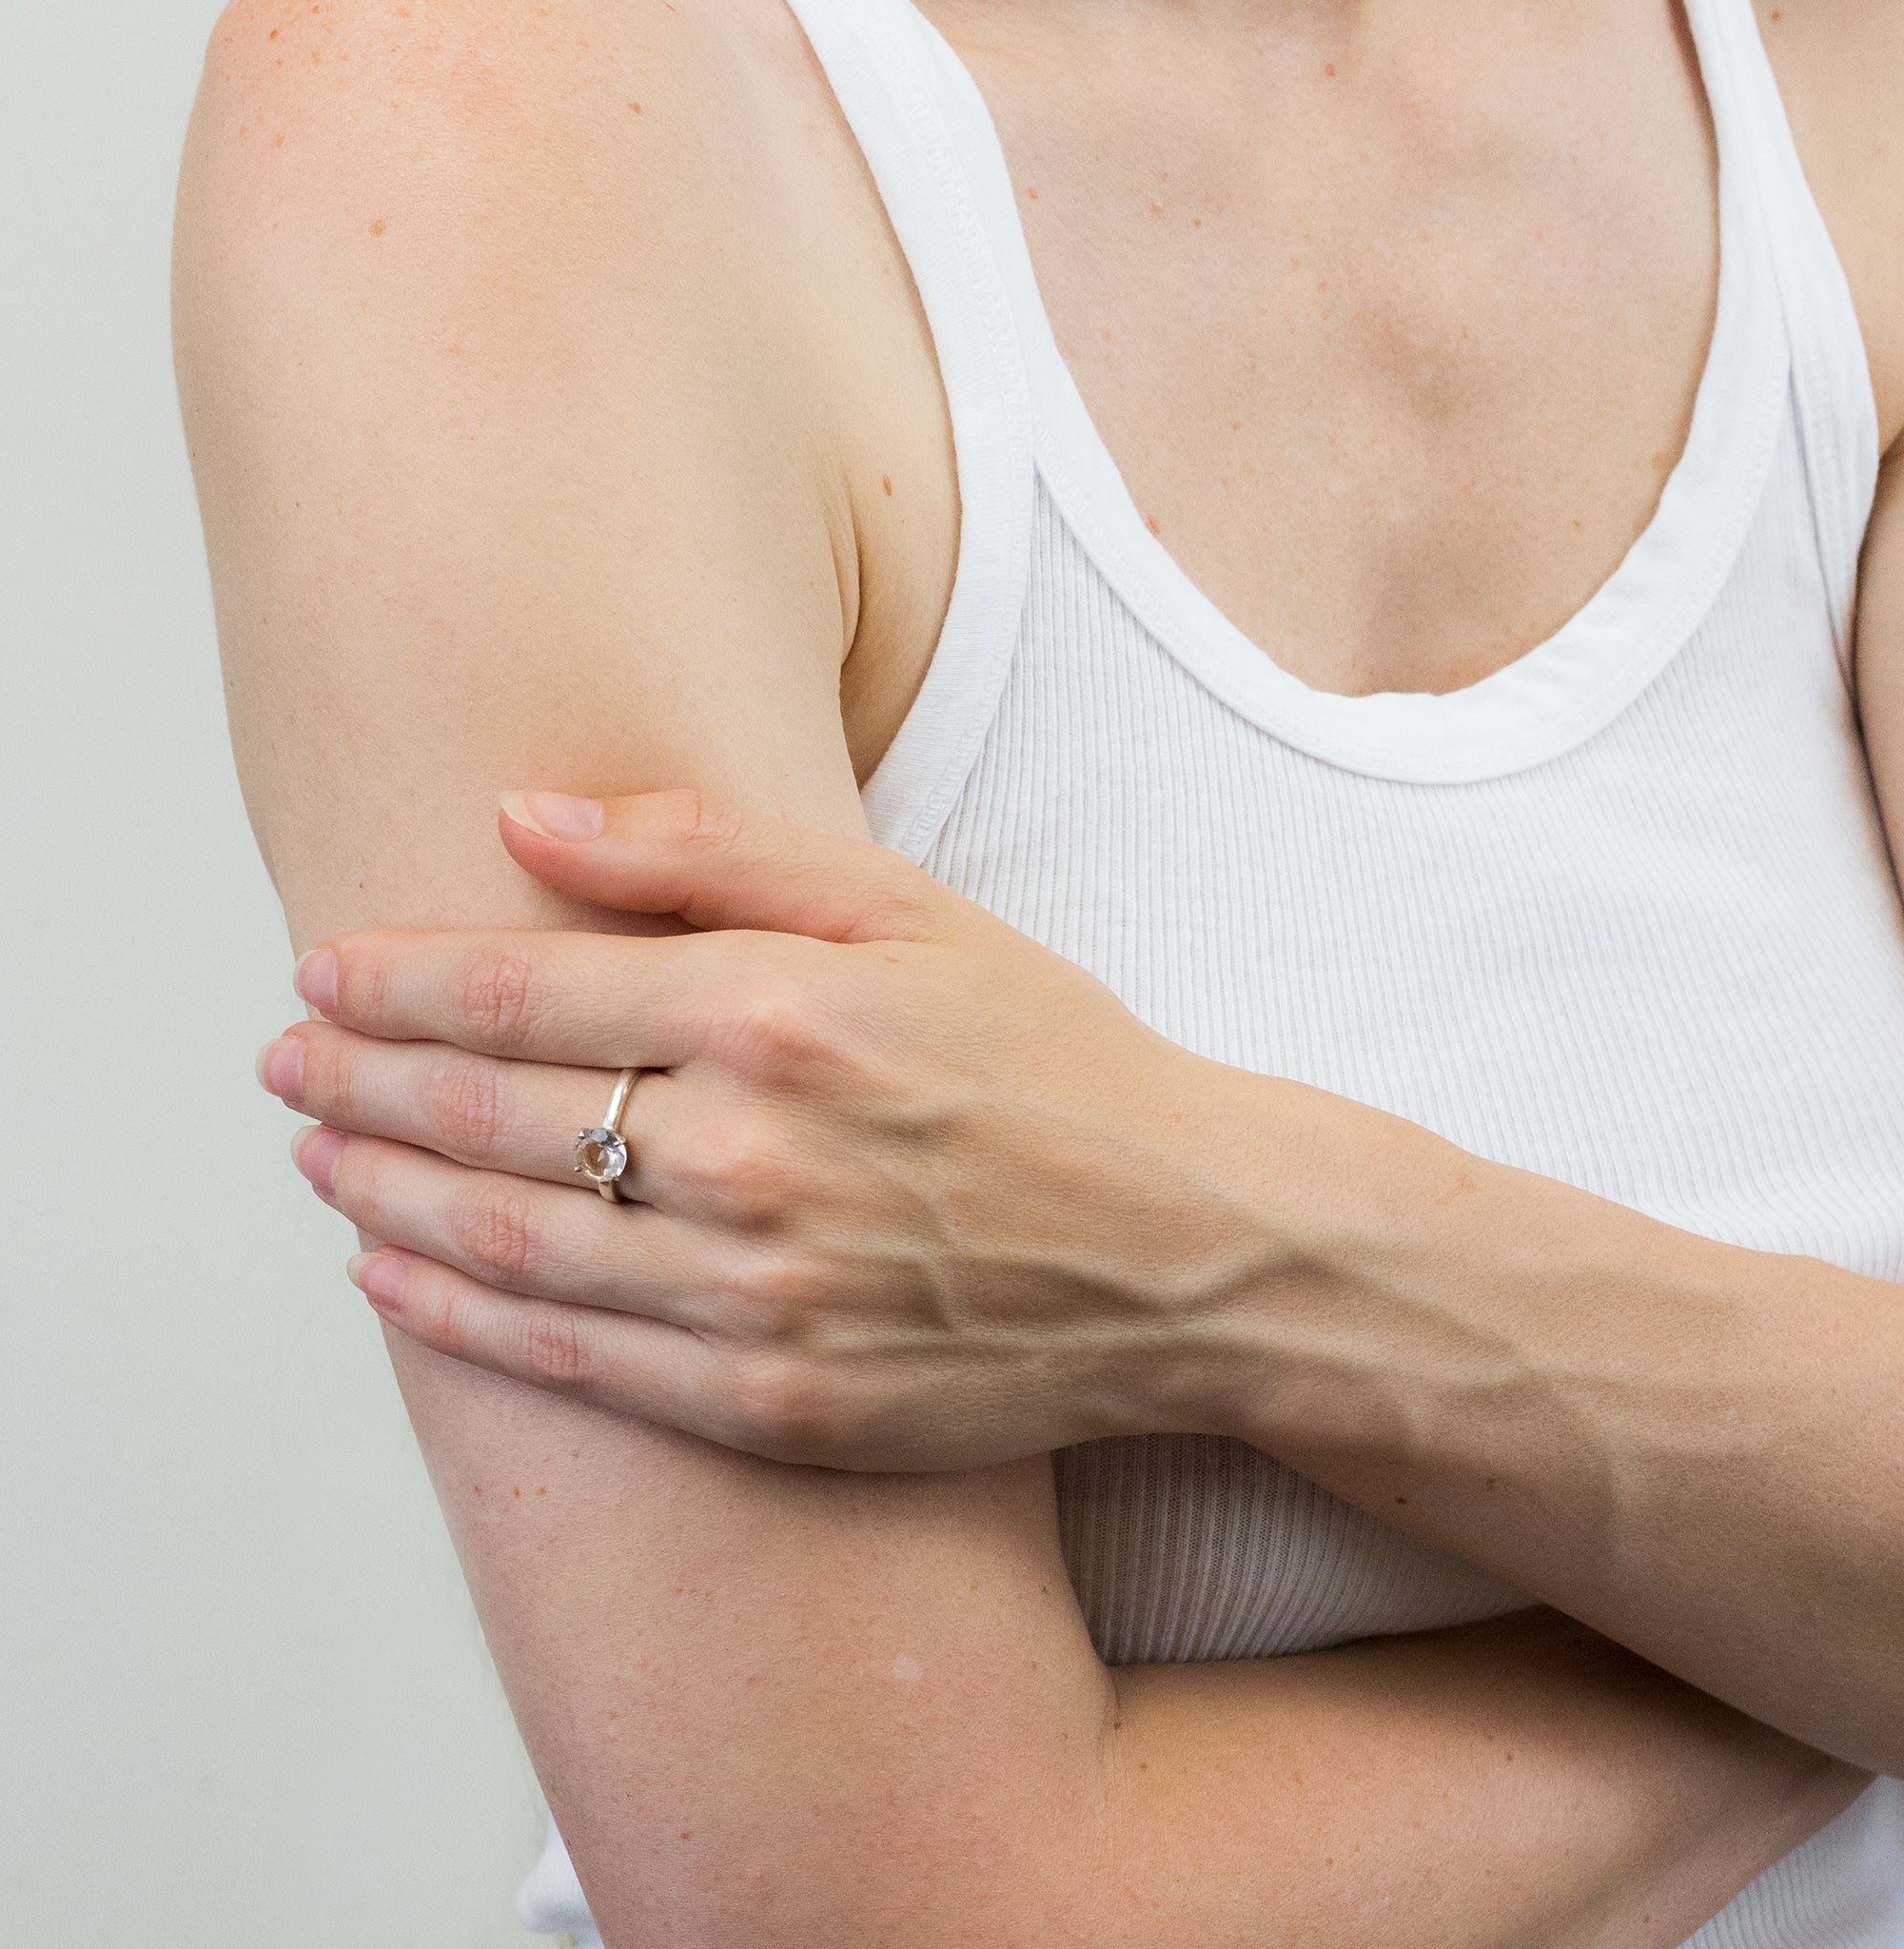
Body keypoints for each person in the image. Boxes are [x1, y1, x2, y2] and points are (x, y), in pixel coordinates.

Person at [172, 0, 1904, 1939]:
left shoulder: (1849, 81)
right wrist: (1822, 1609)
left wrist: (1217, 1240)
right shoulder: (504, 99)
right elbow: (913, 1918)